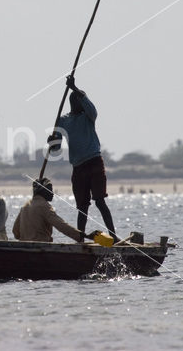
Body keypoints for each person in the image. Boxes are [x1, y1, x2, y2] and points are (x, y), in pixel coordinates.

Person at [47, 76, 118, 241]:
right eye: (80, 100)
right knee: (82, 207)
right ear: (74, 103)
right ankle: (80, 238)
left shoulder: (88, 117)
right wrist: (51, 142)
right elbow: (56, 149)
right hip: (78, 167)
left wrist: (75, 88)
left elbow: (93, 110)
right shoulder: (63, 121)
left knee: (100, 201)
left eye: (83, 100)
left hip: (94, 162)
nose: (83, 103)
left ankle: (113, 236)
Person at [13, 178, 93, 243]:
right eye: (50, 190)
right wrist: (82, 235)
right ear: (42, 191)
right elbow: (60, 225)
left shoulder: (25, 206)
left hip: (25, 245)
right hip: (41, 247)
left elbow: (15, 232)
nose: (52, 193)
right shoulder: (44, 206)